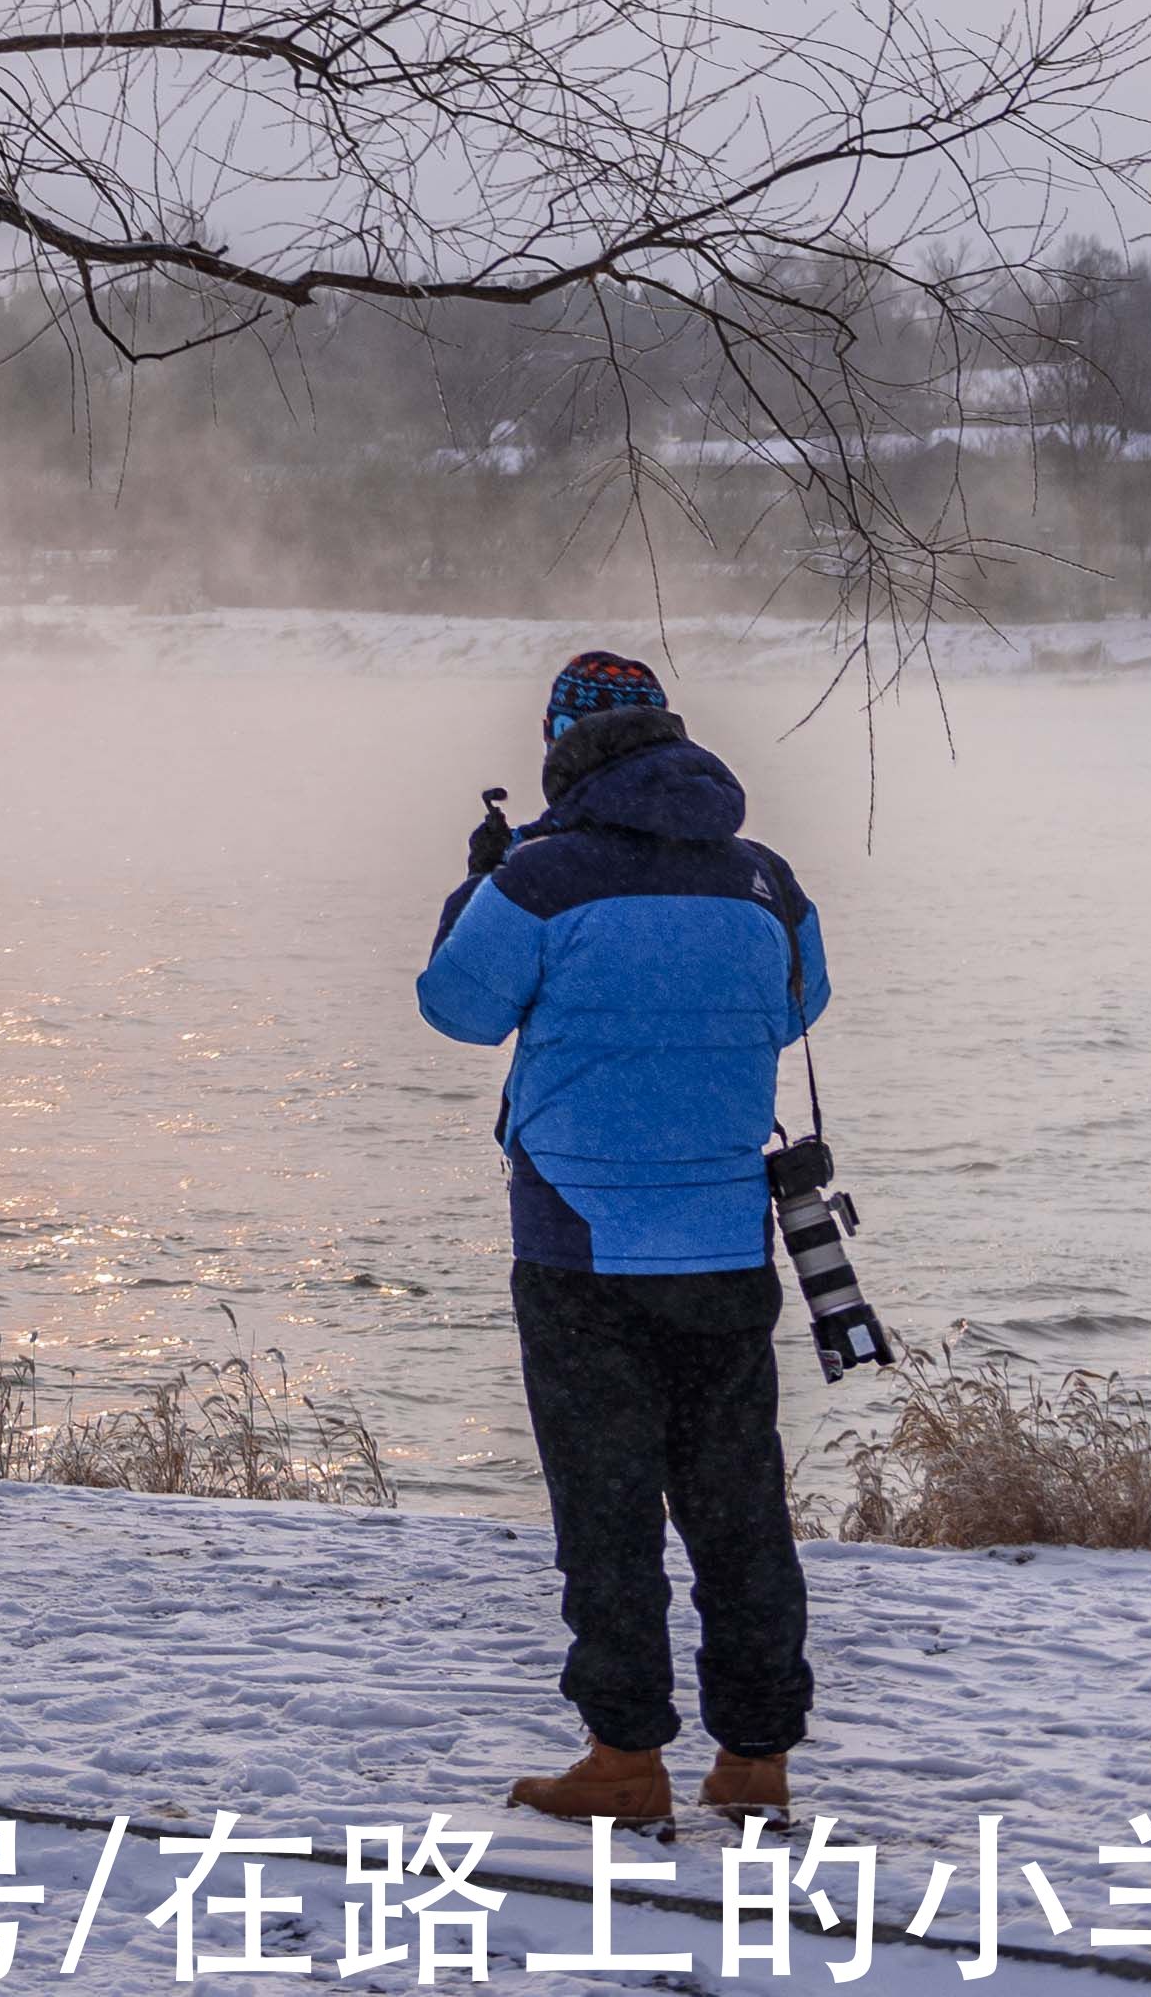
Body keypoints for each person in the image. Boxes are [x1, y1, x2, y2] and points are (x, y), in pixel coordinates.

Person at [417, 646, 826, 1833]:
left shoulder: (540, 880)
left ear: (561, 748)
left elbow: (456, 1006)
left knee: (607, 1511)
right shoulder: (761, 880)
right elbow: (801, 1005)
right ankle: (756, 1762)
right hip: (725, 1241)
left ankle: (624, 1757)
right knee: (740, 1501)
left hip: (580, 1246)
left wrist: (477, 884)